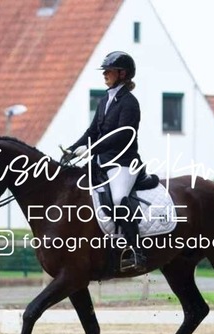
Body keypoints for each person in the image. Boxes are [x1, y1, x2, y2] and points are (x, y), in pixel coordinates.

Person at [62, 51, 146, 272]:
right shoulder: (104, 100)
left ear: (122, 74)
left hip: (123, 162)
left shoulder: (130, 103)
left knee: (118, 199)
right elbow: (92, 132)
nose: (104, 75)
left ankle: (137, 252)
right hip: (101, 161)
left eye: (108, 71)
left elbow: (123, 135)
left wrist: (92, 149)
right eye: (105, 71)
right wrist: (72, 150)